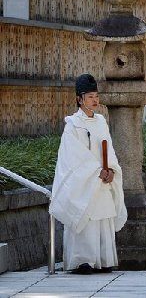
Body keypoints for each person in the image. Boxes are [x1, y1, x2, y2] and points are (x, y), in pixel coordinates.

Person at [49, 74, 127, 275]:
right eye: (90, 96)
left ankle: (103, 259)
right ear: (79, 99)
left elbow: (108, 148)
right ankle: (82, 260)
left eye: (96, 96)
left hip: (102, 179)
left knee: (102, 216)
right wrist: (95, 171)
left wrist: (111, 170)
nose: (95, 100)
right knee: (86, 215)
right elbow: (74, 158)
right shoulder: (73, 125)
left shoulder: (101, 121)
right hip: (85, 181)